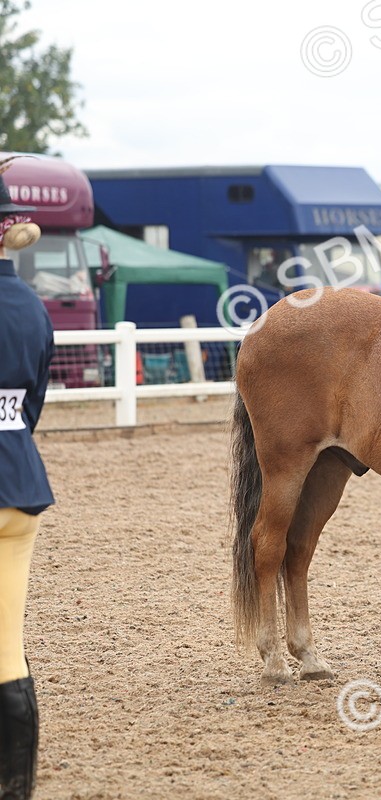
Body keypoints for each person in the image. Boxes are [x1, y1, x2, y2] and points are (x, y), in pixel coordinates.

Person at [0, 156, 55, 800]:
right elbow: (29, 403)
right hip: (18, 484)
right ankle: (17, 787)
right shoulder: (31, 307)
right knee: (6, 647)